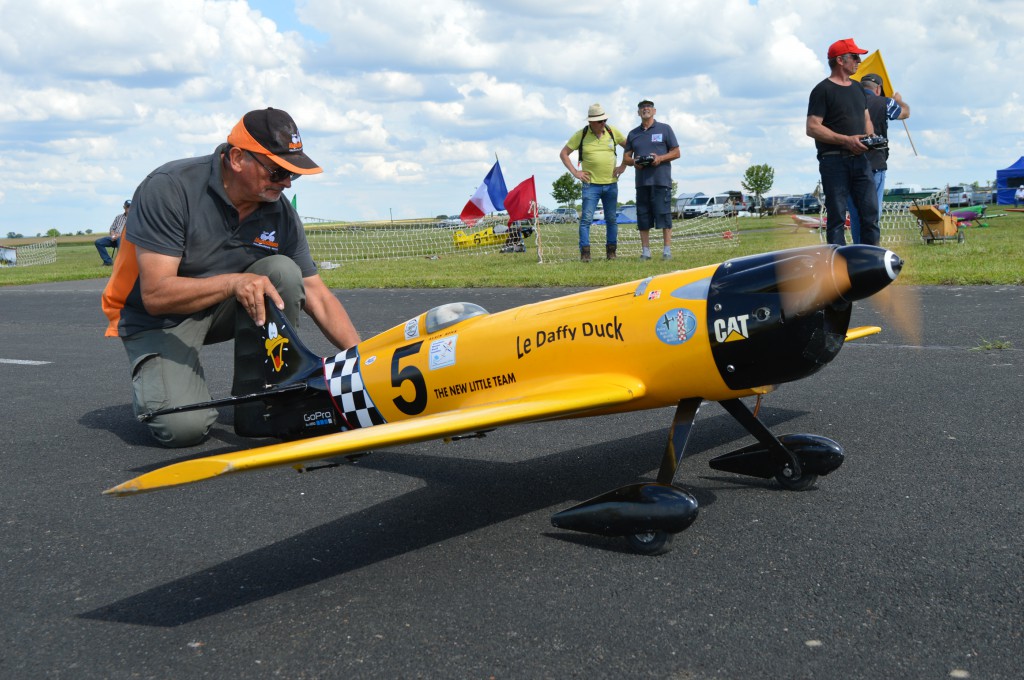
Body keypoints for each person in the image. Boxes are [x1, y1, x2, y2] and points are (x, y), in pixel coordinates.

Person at [101, 107, 360, 447]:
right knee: (184, 429)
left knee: (282, 271)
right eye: (278, 171)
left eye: (293, 176)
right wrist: (234, 282)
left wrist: (363, 360)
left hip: (224, 309)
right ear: (238, 158)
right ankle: (165, 388)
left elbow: (318, 295)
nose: (285, 183)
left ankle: (262, 403)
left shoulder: (279, 211)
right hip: (159, 318)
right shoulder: (169, 188)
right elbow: (156, 294)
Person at [806, 38, 879, 246]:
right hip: (834, 162)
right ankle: (837, 266)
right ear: (840, 60)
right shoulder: (822, 90)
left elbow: (866, 119)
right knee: (837, 216)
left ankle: (871, 262)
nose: (858, 61)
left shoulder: (857, 88)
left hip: (861, 160)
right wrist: (846, 141)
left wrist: (870, 137)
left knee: (870, 214)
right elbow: (812, 127)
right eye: (855, 57)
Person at [846, 72, 911, 243]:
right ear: (878, 89)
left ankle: (857, 250)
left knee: (855, 214)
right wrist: (898, 100)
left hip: (849, 165)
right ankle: (871, 252)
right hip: (874, 164)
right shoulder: (885, 102)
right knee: (872, 213)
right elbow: (904, 113)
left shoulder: (848, 103)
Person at [559, 103, 628, 261]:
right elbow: (564, 154)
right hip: (590, 186)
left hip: (611, 184)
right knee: (586, 220)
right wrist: (575, 172)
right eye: (599, 121)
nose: (603, 123)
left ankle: (611, 252)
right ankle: (585, 254)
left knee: (611, 219)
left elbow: (630, 147)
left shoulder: (612, 132)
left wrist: (623, 165)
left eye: (604, 119)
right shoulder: (581, 135)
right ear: (590, 122)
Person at [624, 99, 680, 260]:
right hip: (642, 183)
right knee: (643, 216)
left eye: (648, 107)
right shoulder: (633, 134)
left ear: (654, 111)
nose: (645, 109)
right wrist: (635, 161)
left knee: (664, 215)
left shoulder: (665, 129)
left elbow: (676, 152)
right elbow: (626, 158)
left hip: (661, 181)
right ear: (638, 113)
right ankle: (646, 252)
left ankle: (667, 251)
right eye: (642, 107)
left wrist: (660, 158)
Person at [94, 200, 131, 266]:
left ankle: (120, 262)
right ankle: (108, 261)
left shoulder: (135, 218)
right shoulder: (118, 217)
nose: (129, 208)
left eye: (131, 206)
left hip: (127, 240)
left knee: (119, 238)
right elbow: (112, 228)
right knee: (98, 242)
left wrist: (119, 235)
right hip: (115, 238)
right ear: (124, 207)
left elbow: (133, 232)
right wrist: (113, 235)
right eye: (127, 206)